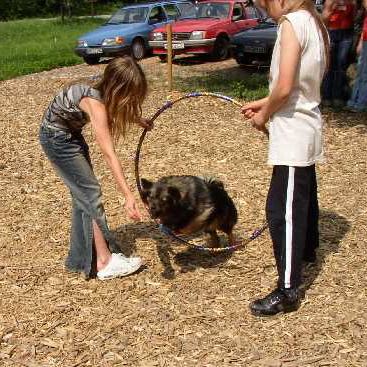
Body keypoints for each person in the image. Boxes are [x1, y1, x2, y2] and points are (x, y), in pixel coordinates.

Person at [242, 0, 329, 316]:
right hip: (306, 121)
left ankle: (288, 288)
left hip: (294, 130)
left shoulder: (291, 23)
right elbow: (300, 86)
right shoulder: (314, 22)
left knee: (282, 210)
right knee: (304, 196)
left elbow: (286, 87)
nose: (265, 10)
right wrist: (264, 102)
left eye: (264, 4)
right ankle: (306, 252)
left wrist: (264, 114)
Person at [39, 56, 152, 281]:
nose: (132, 100)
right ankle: (104, 262)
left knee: (82, 197)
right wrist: (128, 195)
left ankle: (79, 259)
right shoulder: (95, 103)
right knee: (90, 195)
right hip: (57, 140)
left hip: (69, 136)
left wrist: (138, 120)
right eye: (130, 94)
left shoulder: (102, 89)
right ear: (117, 88)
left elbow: (116, 106)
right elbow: (109, 155)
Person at [321, 0, 356, 108]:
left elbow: (354, 19)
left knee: (341, 65)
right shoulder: (330, 1)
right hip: (332, 32)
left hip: (346, 34)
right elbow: (324, 19)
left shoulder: (351, 2)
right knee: (330, 65)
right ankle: (327, 97)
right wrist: (332, 9)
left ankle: (338, 97)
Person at [346, 0, 367, 111]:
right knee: (360, 72)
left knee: (365, 75)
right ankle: (353, 102)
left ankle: (360, 103)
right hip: (365, 40)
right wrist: (360, 42)